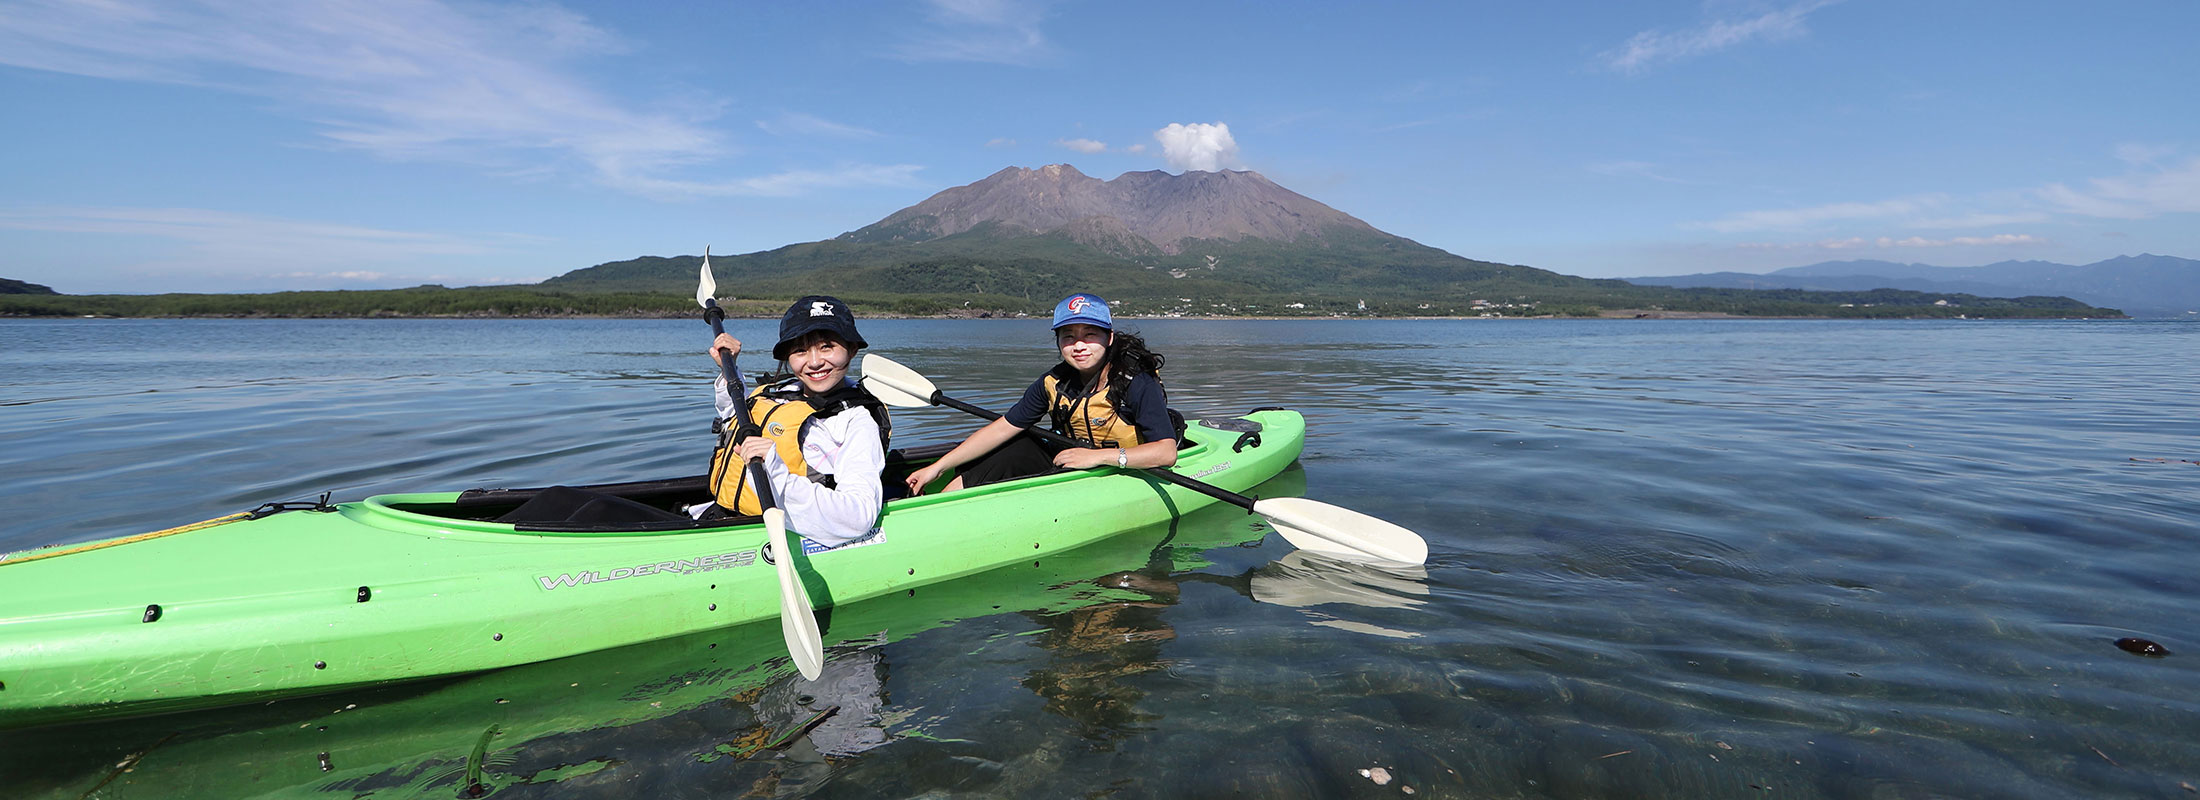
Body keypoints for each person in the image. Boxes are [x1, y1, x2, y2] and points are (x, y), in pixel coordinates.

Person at [904, 293, 1174, 495]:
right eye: (1068, 336)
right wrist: (937, 467)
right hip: (1074, 463)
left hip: (1128, 467)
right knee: (1014, 444)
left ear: (1109, 338)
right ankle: (942, 502)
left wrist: (1098, 457)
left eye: (1090, 334)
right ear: (1058, 341)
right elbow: (1002, 429)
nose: (1079, 345)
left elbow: (1165, 452)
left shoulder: (1136, 381)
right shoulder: (1053, 382)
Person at [702, 295, 891, 550]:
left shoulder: (856, 422)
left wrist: (774, 470)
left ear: (852, 349)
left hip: (773, 532)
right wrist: (730, 369)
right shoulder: (782, 391)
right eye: (800, 350)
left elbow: (858, 517)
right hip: (721, 516)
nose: (814, 362)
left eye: (827, 347)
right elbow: (735, 419)